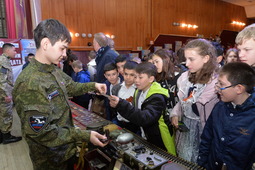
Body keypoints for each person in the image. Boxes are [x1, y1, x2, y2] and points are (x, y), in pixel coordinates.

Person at [12, 19, 108, 170]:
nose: (64, 54)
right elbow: (43, 133)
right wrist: (84, 135)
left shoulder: (53, 70)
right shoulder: (30, 83)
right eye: (62, 48)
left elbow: (71, 87)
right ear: (45, 44)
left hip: (65, 150)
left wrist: (93, 85)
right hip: (51, 160)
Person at [198, 62, 255, 170]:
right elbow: (207, 137)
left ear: (239, 88)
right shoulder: (219, 107)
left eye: (221, 85)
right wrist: (202, 162)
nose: (217, 88)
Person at [110, 62, 176, 155]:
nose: (136, 80)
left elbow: (145, 118)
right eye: (135, 77)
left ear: (151, 79)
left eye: (140, 77)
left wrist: (121, 104)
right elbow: (136, 114)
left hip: (159, 136)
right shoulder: (139, 91)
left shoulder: (157, 96)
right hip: (145, 135)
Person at [170, 39, 219, 162]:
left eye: (191, 59)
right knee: (184, 158)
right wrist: (176, 113)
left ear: (206, 58)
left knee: (200, 161)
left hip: (204, 129)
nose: (186, 64)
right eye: (186, 59)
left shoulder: (216, 80)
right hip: (186, 127)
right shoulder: (184, 77)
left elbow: (198, 107)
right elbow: (182, 102)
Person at [152, 49, 182, 155]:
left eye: (157, 61)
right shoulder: (158, 78)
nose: (154, 65)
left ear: (166, 60)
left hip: (181, 116)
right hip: (167, 119)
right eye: (153, 63)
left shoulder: (180, 76)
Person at [0, 43, 22, 144]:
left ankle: (2, 136)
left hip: (3, 94)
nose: (15, 52)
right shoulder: (3, 61)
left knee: (2, 115)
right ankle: (6, 137)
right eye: (14, 50)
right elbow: (2, 81)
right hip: (4, 95)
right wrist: (6, 95)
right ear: (7, 51)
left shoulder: (4, 60)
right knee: (6, 115)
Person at [111, 61, 139, 133]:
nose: (128, 77)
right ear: (123, 73)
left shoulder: (139, 90)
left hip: (134, 125)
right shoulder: (116, 88)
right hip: (119, 121)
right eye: (126, 74)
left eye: (132, 75)